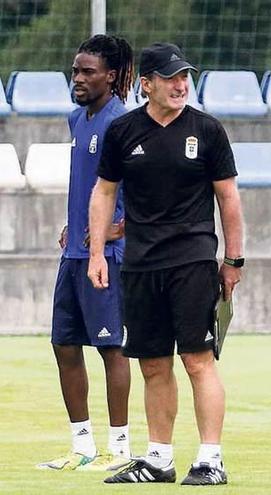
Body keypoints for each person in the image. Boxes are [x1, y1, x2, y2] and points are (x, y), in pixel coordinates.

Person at [87, 42, 244, 486]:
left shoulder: (207, 130)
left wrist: (233, 259)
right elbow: (104, 192)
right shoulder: (123, 132)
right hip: (139, 264)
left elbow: (228, 197)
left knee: (197, 360)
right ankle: (158, 459)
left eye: (185, 77)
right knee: (153, 363)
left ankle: (211, 459)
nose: (180, 85)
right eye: (171, 78)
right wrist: (97, 253)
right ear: (146, 84)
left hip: (192, 262)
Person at [37, 34, 134, 472]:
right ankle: (83, 446)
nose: (77, 78)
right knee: (63, 344)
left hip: (108, 257)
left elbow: (145, 189)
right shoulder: (76, 120)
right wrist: (72, 224)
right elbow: (87, 186)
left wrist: (122, 227)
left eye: (87, 71)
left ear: (110, 76)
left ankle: (120, 448)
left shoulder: (124, 123)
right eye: (75, 70)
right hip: (74, 254)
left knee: (111, 348)